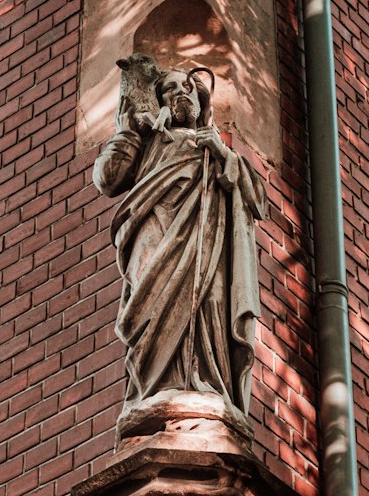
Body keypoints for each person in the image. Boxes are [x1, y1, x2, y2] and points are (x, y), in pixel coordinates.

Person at [93, 63, 266, 430]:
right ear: (159, 100)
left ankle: (207, 385)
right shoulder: (148, 140)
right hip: (152, 235)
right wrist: (127, 131)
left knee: (209, 308)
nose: (182, 93)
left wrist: (221, 153)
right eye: (170, 88)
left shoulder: (213, 148)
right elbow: (107, 179)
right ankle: (154, 391)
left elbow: (255, 201)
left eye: (189, 88)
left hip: (207, 242)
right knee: (151, 306)